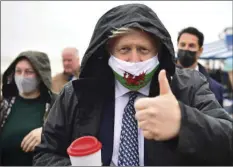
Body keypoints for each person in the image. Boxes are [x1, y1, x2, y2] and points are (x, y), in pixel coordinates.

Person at [33, 3, 233, 166]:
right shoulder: (76, 94)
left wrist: (184, 123)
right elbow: (45, 154)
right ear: (108, 52)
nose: (134, 60)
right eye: (124, 49)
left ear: (158, 53)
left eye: (144, 50)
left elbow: (228, 142)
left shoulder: (189, 87)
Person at [0, 51, 57, 166]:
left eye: (28, 72)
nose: (22, 77)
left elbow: (71, 134)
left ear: (41, 75)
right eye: (18, 71)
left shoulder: (56, 104)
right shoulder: (3, 105)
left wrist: (46, 132)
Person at [176, 27, 224, 106]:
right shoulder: (161, 77)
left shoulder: (214, 88)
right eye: (182, 44)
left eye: (191, 46)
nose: (186, 48)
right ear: (177, 46)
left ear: (200, 51)